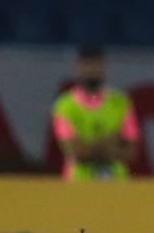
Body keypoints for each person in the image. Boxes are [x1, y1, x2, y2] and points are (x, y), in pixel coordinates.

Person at [52, 45, 141, 181]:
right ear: (78, 67)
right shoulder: (65, 106)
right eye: (87, 64)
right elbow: (76, 153)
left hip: (116, 186)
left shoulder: (121, 103)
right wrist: (110, 142)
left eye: (97, 64)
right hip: (78, 185)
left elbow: (131, 153)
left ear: (104, 66)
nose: (92, 70)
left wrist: (88, 146)